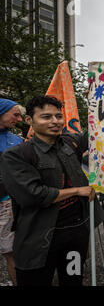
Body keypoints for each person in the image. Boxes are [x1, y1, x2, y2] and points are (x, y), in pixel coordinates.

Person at [0, 96, 104, 286]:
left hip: (75, 235)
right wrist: (76, 191)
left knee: (73, 281)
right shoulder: (15, 155)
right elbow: (34, 195)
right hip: (38, 239)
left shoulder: (70, 142)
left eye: (58, 116)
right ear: (29, 120)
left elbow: (97, 132)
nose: (55, 122)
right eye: (46, 117)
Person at [0, 98, 24, 286]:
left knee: (10, 251)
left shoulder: (16, 140)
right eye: (15, 115)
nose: (18, 119)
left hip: (7, 203)